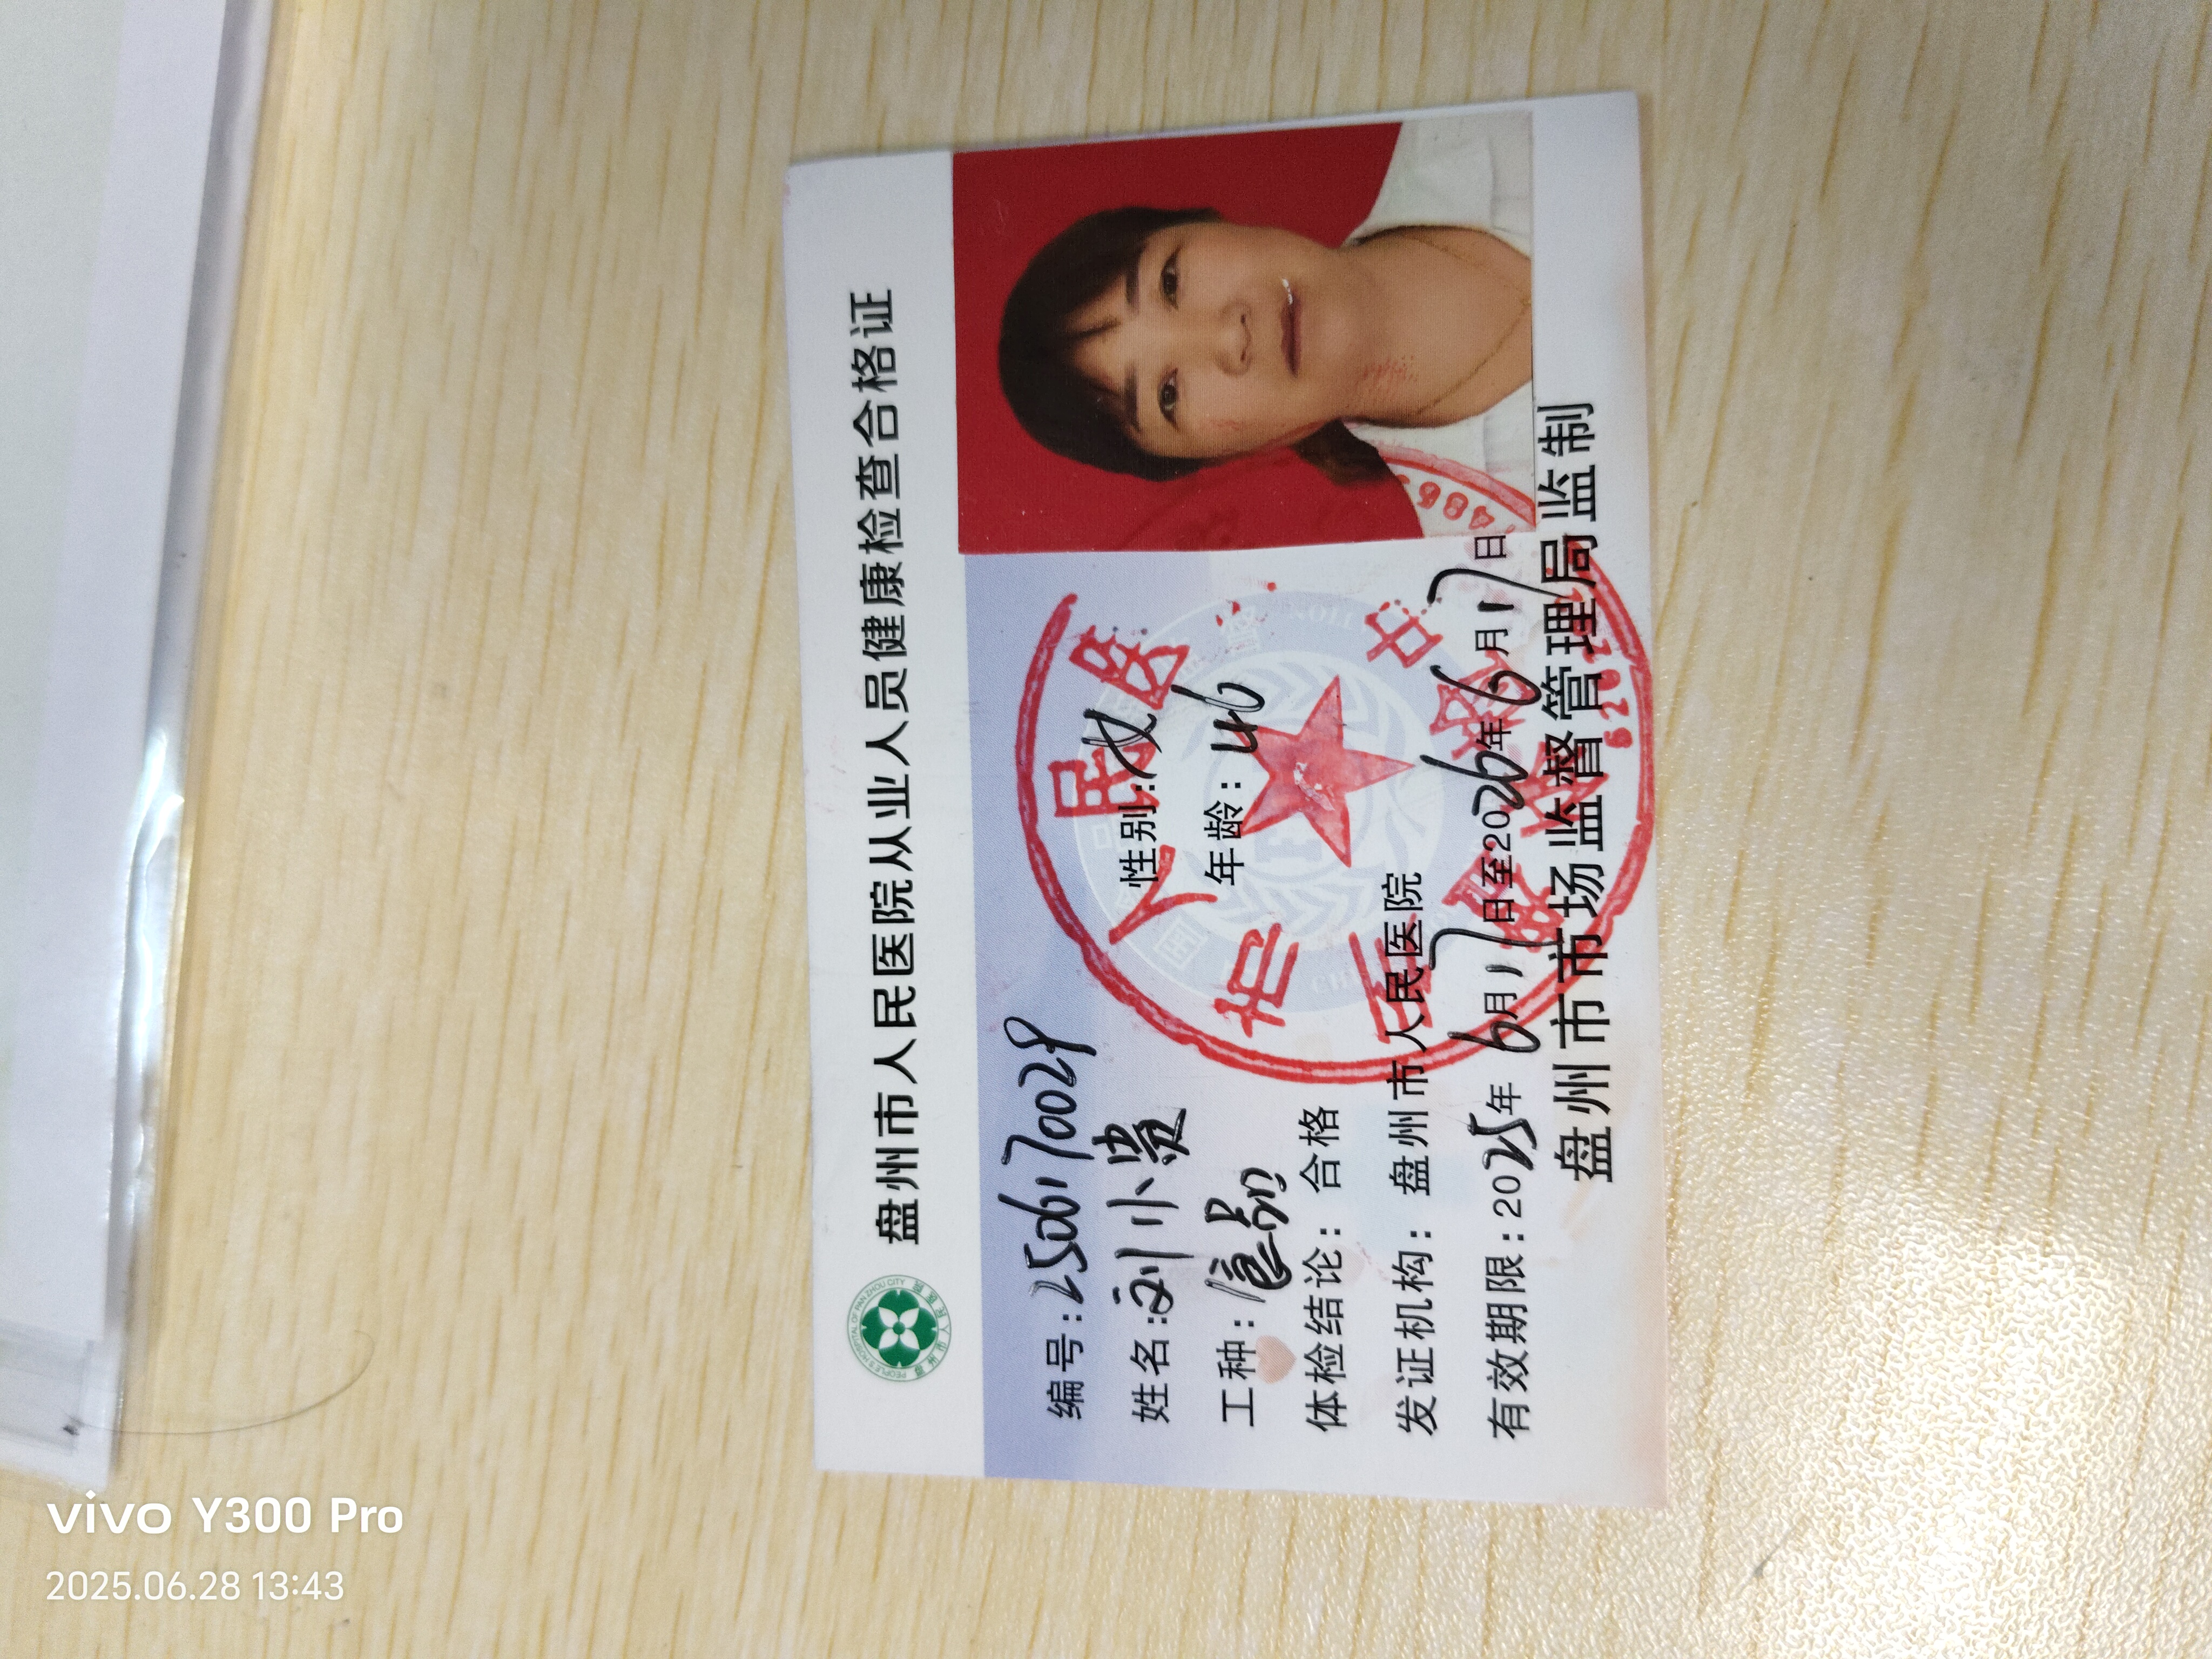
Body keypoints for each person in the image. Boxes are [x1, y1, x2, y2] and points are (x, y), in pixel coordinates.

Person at [997, 112, 1536, 535]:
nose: (1229, 336)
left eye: (1171, 282)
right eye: (1168, 395)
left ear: (1210, 221)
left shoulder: (1482, 118)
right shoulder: (1505, 560)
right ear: (1226, 455)